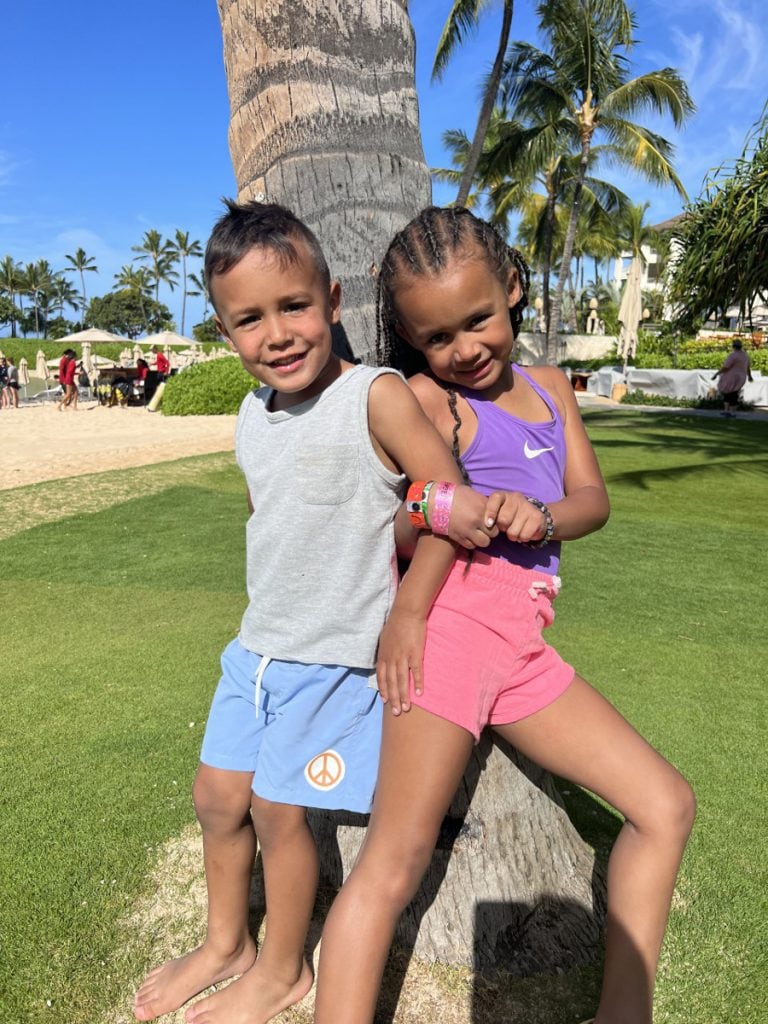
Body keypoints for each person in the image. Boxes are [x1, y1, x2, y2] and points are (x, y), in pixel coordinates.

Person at [314, 207, 696, 1024]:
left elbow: (591, 503)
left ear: (513, 288)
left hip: (522, 648)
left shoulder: (553, 386)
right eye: (438, 335)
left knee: (666, 806)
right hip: (449, 634)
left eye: (479, 318)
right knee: (393, 862)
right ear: (413, 340)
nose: (465, 349)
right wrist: (449, 509)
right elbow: (399, 515)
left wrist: (543, 516)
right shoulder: (425, 398)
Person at [132, 200, 493, 1024]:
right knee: (217, 800)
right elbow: (272, 516)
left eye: (293, 306)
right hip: (255, 651)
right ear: (226, 335)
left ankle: (284, 970)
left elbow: (447, 500)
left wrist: (408, 611)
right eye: (249, 320)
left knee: (277, 810)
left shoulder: (376, 396)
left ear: (332, 300)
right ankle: (227, 942)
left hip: (330, 661)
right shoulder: (251, 418)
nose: (278, 333)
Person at [712, 338, 753, 416]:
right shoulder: (745, 356)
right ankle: (732, 411)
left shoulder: (733, 355)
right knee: (734, 393)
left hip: (731, 377)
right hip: (741, 377)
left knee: (728, 393)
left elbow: (726, 367)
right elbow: (748, 367)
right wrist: (750, 376)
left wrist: (717, 374)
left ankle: (727, 410)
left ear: (733, 346)